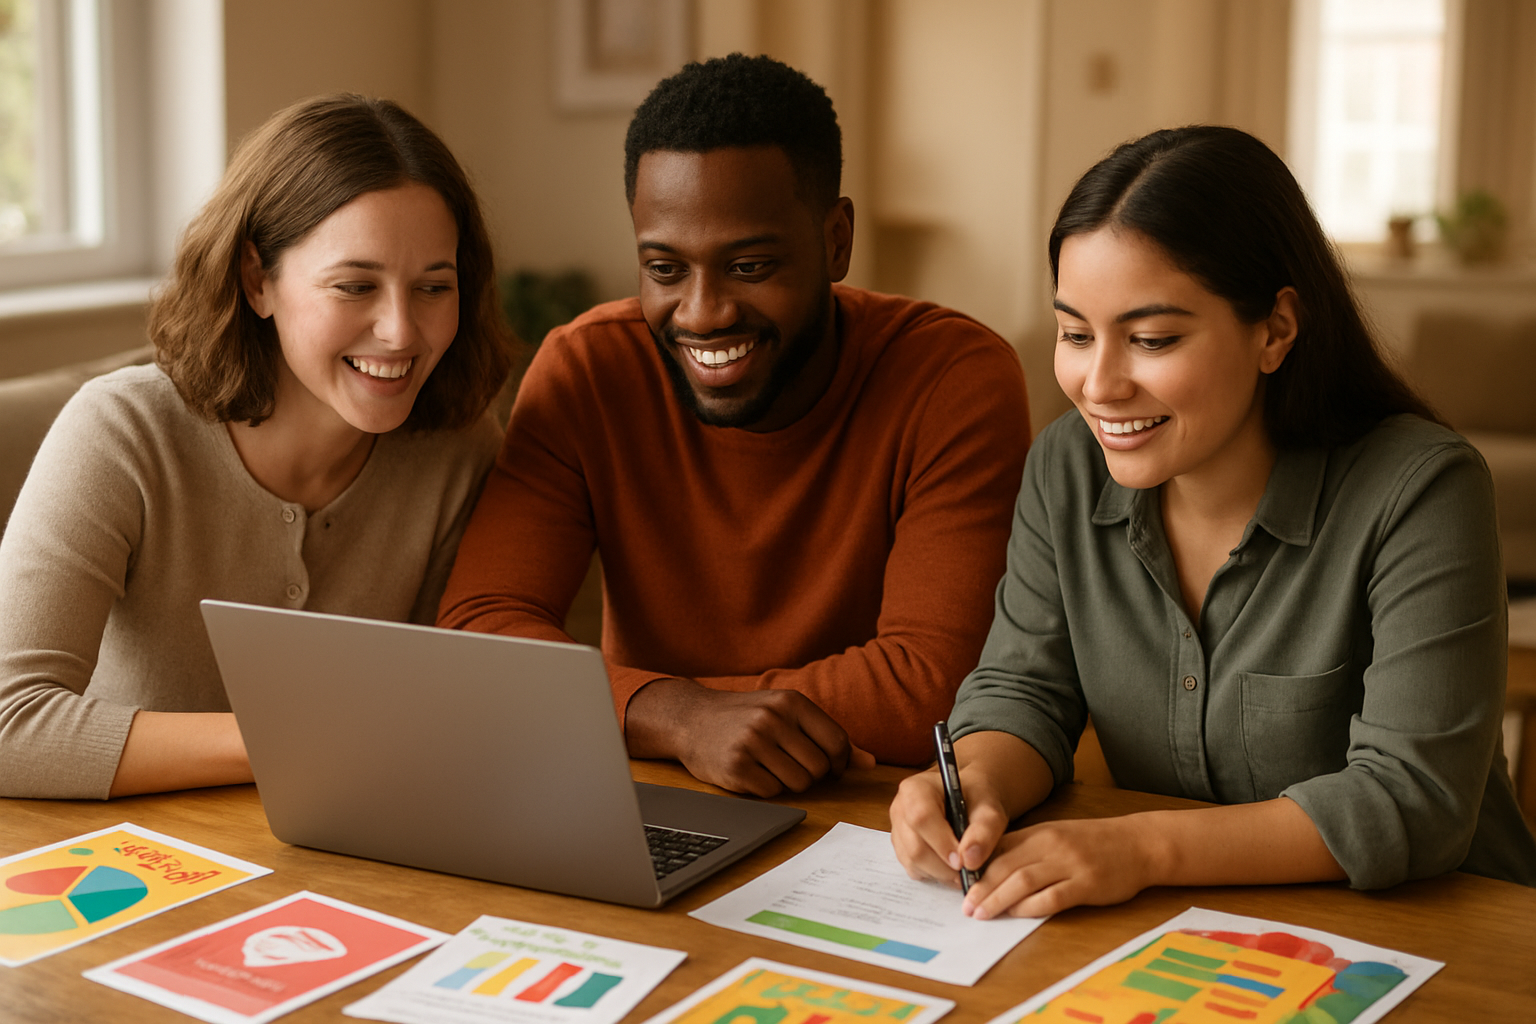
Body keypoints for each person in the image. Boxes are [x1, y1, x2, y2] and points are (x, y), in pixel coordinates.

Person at [890, 125, 1536, 913]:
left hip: (1444, 938)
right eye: (1074, 334)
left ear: (1275, 329)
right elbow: (1022, 690)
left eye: (1152, 338)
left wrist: (1140, 847)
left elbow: (1412, 798)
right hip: (1193, 933)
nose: (1098, 385)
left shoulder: (1421, 491)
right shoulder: (1065, 465)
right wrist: (971, 784)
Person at [437, 54, 1030, 798]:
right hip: (649, 791)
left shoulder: (952, 378)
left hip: (868, 812)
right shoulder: (587, 371)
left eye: (749, 266)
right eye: (664, 268)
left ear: (836, 241)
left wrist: (636, 706)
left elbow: (930, 684)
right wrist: (678, 717)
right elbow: (481, 637)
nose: (702, 311)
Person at [0, 94, 512, 800]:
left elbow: (443, 710)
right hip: (125, 868)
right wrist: (291, 738)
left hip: (341, 859)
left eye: (433, 286)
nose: (401, 330)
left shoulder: (458, 450)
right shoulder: (122, 433)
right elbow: (8, 725)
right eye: (355, 285)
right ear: (256, 279)